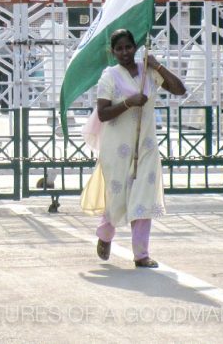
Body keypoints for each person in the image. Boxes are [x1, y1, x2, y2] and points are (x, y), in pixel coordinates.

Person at [81, 29, 185, 268]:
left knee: (143, 199)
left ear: (135, 46)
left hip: (146, 146)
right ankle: (105, 235)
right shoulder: (109, 77)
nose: (125, 52)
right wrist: (128, 103)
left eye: (129, 47)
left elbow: (179, 89)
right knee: (117, 199)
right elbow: (103, 113)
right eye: (119, 49)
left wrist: (158, 66)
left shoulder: (148, 70)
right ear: (113, 51)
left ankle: (141, 255)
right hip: (117, 149)